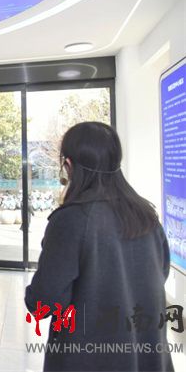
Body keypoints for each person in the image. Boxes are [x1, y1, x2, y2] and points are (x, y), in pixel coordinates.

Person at [25, 122, 174, 372]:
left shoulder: (71, 220)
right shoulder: (146, 215)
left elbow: (43, 303)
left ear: (68, 165)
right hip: (147, 356)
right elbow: (161, 273)